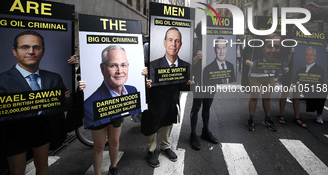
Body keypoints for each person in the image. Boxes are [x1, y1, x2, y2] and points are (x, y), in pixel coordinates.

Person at [0, 30, 69, 175]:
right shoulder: (2, 80)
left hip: (42, 127)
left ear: (43, 51)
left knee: (42, 164)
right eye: (25, 47)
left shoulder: (54, 78)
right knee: (17, 171)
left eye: (36, 47)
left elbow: (65, 101)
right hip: (14, 131)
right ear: (14, 50)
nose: (31, 51)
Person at [83, 45, 140, 175]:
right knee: (99, 146)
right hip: (99, 113)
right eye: (113, 65)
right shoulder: (91, 103)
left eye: (123, 65)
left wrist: (145, 78)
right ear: (102, 68)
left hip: (117, 114)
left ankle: (113, 167)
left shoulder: (132, 91)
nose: (120, 71)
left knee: (114, 141)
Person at [142, 27, 191, 168]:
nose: (173, 44)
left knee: (168, 121)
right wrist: (145, 80)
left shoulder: (185, 66)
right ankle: (151, 151)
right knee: (152, 122)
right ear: (164, 42)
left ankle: (165, 146)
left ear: (180, 44)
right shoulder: (152, 64)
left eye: (177, 41)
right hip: (155, 97)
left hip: (171, 96)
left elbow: (183, 86)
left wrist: (188, 83)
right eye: (170, 40)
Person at [189, 37, 236, 150]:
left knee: (207, 107)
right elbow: (188, 63)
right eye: (218, 48)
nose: (221, 51)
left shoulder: (212, 39)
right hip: (199, 82)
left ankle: (205, 130)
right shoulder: (195, 41)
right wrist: (196, 57)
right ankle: (193, 134)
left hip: (211, 82)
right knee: (196, 108)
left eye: (223, 48)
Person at [246, 33, 288, 132]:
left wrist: (286, 68)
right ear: (263, 48)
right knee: (254, 97)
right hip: (255, 76)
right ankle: (251, 119)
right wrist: (248, 62)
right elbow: (246, 57)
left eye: (276, 47)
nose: (273, 50)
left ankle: (267, 119)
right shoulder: (254, 49)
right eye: (269, 47)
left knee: (267, 98)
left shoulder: (280, 62)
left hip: (269, 77)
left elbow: (287, 65)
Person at [293, 47, 326, 124]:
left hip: (313, 89)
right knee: (296, 89)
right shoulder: (301, 69)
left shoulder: (320, 69)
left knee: (324, 90)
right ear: (305, 56)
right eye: (307, 55)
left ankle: (319, 115)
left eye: (311, 55)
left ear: (315, 57)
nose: (309, 57)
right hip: (302, 89)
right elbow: (295, 80)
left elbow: (319, 81)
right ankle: (296, 116)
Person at [278, 48, 307, 128]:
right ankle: (281, 115)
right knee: (284, 93)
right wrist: (291, 52)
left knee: (296, 95)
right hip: (288, 72)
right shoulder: (287, 45)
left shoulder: (302, 46)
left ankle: (297, 117)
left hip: (299, 71)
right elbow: (286, 61)